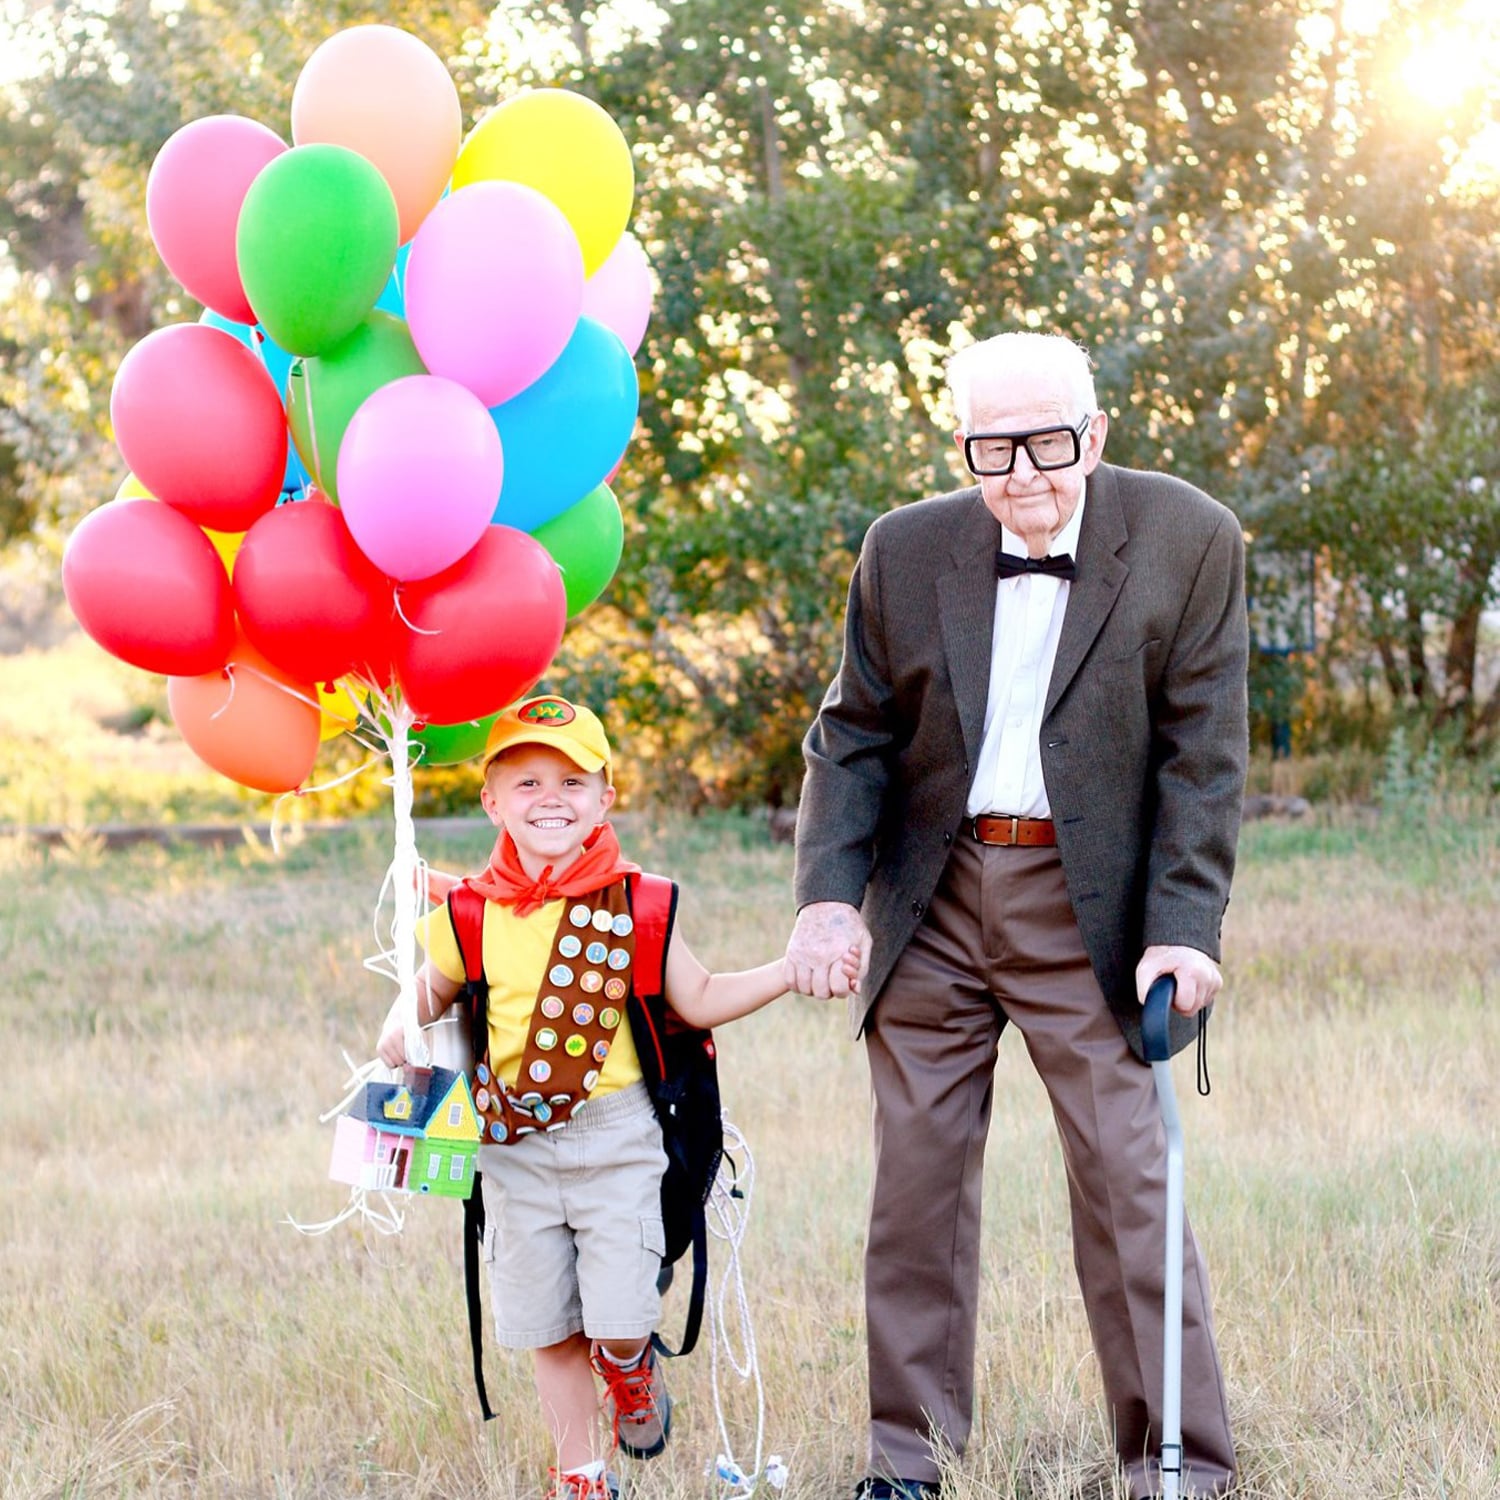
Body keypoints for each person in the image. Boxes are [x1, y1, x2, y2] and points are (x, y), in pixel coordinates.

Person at [786, 331, 1248, 1499]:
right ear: (963, 447)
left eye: (1048, 442)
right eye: (995, 447)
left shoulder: (1191, 537)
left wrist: (1185, 925)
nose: (1025, 472)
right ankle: (910, 1461)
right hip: (933, 896)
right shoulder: (904, 549)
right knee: (915, 1190)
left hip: (1087, 906)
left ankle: (1175, 1466)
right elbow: (852, 734)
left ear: (1094, 436)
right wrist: (830, 902)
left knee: (1131, 1179)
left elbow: (1205, 755)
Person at [377, 694, 858, 1500]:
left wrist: (788, 971)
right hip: (511, 1147)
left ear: (607, 796)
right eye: (526, 783)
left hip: (618, 1140)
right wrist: (399, 1023)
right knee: (547, 1327)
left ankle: (632, 1368)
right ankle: (582, 1477)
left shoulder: (636, 906)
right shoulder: (469, 913)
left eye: (572, 781)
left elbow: (698, 998)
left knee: (616, 1319)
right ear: (491, 801)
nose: (550, 800)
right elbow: (428, 992)